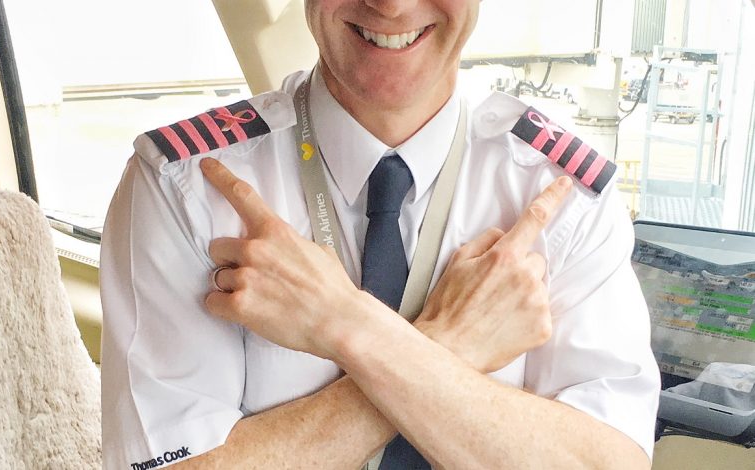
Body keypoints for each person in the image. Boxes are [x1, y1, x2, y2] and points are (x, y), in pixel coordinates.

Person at [100, 1, 660, 468]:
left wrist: (340, 322)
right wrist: (452, 347)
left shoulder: (564, 199)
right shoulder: (185, 186)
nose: (391, 5)